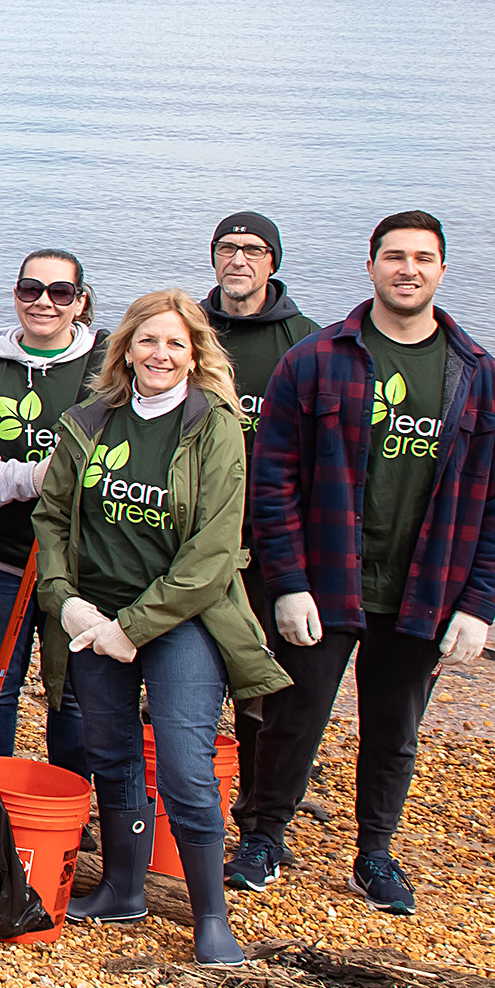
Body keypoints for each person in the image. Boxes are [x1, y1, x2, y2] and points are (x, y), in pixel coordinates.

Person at [231, 213, 495, 914]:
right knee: (290, 714)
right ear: (370, 266)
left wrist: (481, 605)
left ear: (442, 271)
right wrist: (288, 582)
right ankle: (264, 837)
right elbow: (272, 481)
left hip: (425, 585)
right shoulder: (317, 360)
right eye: (394, 256)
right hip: (325, 579)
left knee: (395, 727)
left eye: (423, 258)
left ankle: (375, 853)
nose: (408, 269)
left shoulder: (483, 378)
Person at [30, 291, 289, 965]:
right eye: (148, 341)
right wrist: (67, 602)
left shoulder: (215, 428)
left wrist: (136, 627)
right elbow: (52, 518)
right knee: (109, 753)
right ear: (126, 349)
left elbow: (214, 553)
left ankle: (211, 917)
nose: (161, 354)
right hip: (94, 616)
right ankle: (121, 887)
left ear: (196, 353)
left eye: (175, 343)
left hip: (183, 619)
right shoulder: (89, 420)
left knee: (182, 763)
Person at [0, 251, 102, 765]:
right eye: (30, 289)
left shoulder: (106, 370)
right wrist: (32, 478)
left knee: (73, 692)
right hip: (0, 557)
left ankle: (68, 798)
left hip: (80, 563)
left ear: (80, 301)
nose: (44, 302)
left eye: (60, 292)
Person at [203, 211, 319, 746]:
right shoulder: (184, 330)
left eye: (252, 249)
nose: (239, 259)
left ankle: (257, 803)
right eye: (227, 248)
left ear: (273, 261)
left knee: (261, 677)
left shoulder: (307, 342)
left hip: (268, 536)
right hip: (188, 530)